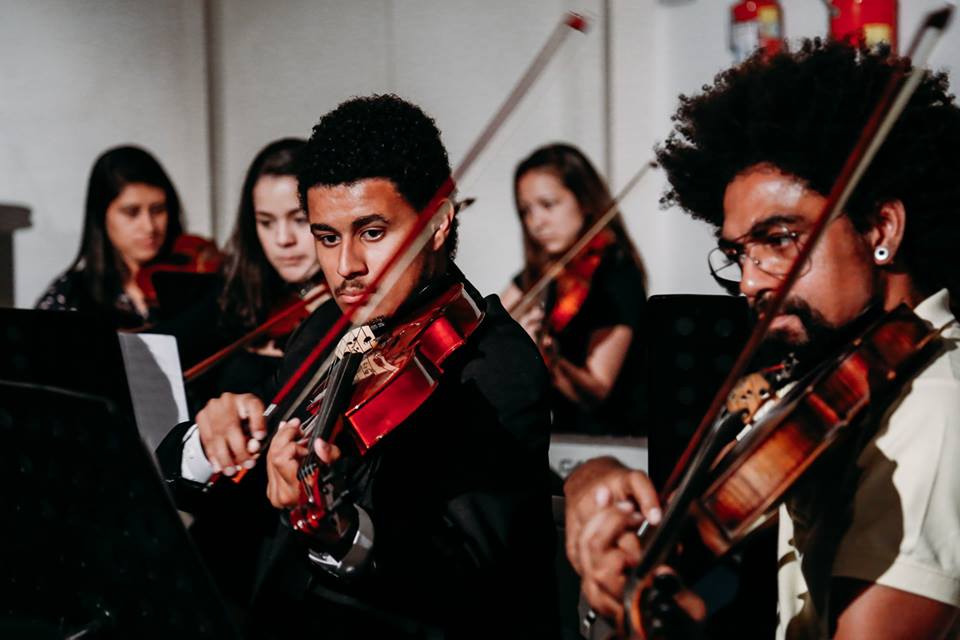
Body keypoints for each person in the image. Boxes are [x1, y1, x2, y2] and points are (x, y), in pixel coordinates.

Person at [566, 40, 960, 639]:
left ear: (881, 229)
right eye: (737, 254)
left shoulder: (934, 408)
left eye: (779, 240)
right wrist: (591, 481)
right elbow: (685, 523)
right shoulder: (830, 378)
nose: (750, 281)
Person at [157, 94, 559, 639]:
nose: (346, 267)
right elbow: (225, 504)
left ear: (438, 223)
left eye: (372, 232)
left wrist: (339, 533)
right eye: (327, 237)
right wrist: (211, 444)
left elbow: (471, 586)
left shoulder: (497, 367)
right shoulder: (326, 329)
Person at [501, 143, 648, 437]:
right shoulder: (539, 276)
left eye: (548, 204)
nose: (535, 222)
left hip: (609, 441)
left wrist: (553, 360)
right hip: (552, 438)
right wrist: (509, 342)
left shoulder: (616, 276)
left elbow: (598, 391)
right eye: (525, 211)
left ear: (583, 200)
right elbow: (489, 329)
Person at [166, 138, 328, 396]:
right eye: (266, 222)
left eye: (299, 219)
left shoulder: (347, 305)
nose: (283, 239)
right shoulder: (238, 292)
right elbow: (165, 346)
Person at [35, 145, 189, 328]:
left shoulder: (195, 279)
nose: (149, 227)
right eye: (131, 212)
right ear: (102, 215)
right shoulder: (71, 294)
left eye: (158, 210)